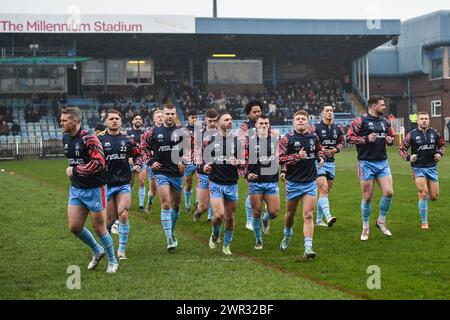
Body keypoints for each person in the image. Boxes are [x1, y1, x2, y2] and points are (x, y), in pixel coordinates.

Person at [60, 107, 118, 273]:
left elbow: (99, 162)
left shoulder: (89, 137)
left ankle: (113, 261)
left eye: (65, 120)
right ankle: (97, 250)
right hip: (77, 188)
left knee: (99, 228)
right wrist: (75, 172)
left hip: (94, 189)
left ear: (76, 121)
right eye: (61, 120)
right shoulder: (65, 138)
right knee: (74, 227)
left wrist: (75, 170)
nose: (61, 123)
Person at [140, 104, 190, 251]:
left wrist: (184, 161)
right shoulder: (153, 131)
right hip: (161, 172)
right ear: (162, 115)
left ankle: (172, 232)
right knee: (166, 203)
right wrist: (150, 161)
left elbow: (189, 149)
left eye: (172, 114)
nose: (169, 116)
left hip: (176, 173)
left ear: (175, 114)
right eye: (167, 113)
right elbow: (143, 147)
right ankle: (169, 238)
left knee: (176, 205)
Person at [347, 95, 395, 241]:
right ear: (373, 106)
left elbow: (391, 138)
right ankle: (365, 227)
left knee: (389, 193)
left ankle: (381, 221)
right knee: (367, 197)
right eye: (382, 105)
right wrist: (366, 139)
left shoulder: (385, 122)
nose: (384, 107)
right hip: (366, 163)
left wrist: (390, 140)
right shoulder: (360, 121)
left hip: (382, 162)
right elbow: (349, 138)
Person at [278, 110, 325, 260]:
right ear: (293, 122)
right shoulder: (287, 139)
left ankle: (308, 248)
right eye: (297, 119)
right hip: (293, 183)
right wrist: (297, 157)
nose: (300, 121)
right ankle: (287, 233)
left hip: (310, 182)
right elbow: (280, 158)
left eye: (303, 119)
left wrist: (321, 157)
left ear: (307, 121)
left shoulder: (313, 137)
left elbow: (319, 150)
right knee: (290, 214)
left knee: (308, 215)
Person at [98, 110, 141, 260]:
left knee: (123, 214)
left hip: (124, 183)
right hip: (107, 184)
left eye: (117, 118)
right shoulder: (99, 139)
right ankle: (107, 247)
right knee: (109, 220)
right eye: (111, 119)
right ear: (106, 121)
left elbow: (138, 154)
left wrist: (137, 164)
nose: (114, 121)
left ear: (121, 121)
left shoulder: (128, 139)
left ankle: (121, 250)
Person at [201, 112, 243, 255]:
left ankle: (226, 245)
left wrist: (238, 163)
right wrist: (203, 167)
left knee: (230, 217)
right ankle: (215, 233)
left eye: (231, 119)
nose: (230, 121)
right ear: (218, 123)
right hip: (216, 183)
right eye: (226, 119)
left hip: (231, 183)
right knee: (218, 215)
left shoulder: (237, 141)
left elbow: (245, 163)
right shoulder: (209, 140)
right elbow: (200, 160)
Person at [399, 111, 445, 229]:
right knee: (423, 192)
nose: (424, 120)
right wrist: (409, 157)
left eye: (426, 118)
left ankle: (422, 199)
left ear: (428, 120)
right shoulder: (411, 135)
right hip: (418, 168)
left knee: (434, 197)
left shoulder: (435, 133)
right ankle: (424, 222)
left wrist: (440, 153)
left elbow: (442, 146)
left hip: (432, 167)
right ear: (418, 121)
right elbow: (401, 149)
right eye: (422, 119)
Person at [242, 115, 280, 250]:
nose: (264, 125)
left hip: (271, 182)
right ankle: (258, 240)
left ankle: (266, 219)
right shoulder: (248, 141)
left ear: (269, 125)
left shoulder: (276, 139)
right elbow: (241, 159)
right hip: (256, 183)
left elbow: (283, 156)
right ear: (256, 126)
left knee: (274, 212)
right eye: (261, 123)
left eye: (266, 123)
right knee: (256, 212)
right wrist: (246, 174)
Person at [310, 104, 344, 227]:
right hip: (318, 162)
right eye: (327, 111)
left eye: (331, 111)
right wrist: (319, 149)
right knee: (323, 189)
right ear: (322, 113)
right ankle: (328, 217)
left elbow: (342, 142)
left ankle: (319, 220)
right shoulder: (315, 127)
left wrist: (335, 150)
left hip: (331, 163)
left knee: (324, 192)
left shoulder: (337, 128)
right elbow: (309, 141)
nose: (330, 112)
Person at [239, 100, 262, 231]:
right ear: (249, 113)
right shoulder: (244, 128)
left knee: (263, 191)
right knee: (252, 190)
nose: (258, 113)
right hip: (250, 163)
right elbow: (242, 145)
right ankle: (249, 221)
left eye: (259, 111)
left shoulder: (264, 124)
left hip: (265, 162)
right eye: (255, 112)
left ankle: (258, 217)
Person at [193, 108, 218, 222]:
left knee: (218, 205)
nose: (213, 123)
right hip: (204, 173)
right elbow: (196, 155)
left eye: (215, 121)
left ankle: (215, 228)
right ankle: (198, 212)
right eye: (210, 121)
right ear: (206, 120)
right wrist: (203, 166)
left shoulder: (224, 134)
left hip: (219, 174)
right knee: (203, 207)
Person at [127, 113, 147, 211]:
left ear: (142, 121)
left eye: (140, 119)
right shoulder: (127, 132)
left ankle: (141, 205)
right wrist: (129, 157)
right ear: (132, 121)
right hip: (130, 161)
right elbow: (125, 147)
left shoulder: (145, 133)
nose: (138, 120)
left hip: (142, 160)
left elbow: (147, 147)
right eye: (136, 119)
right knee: (129, 183)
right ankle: (127, 203)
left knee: (142, 182)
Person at [145, 109, 164, 213]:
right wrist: (149, 161)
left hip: (167, 165)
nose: (161, 118)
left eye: (162, 116)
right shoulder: (150, 132)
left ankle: (165, 212)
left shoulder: (170, 130)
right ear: (154, 119)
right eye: (158, 116)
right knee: (153, 191)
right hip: (154, 165)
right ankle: (149, 201)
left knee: (166, 191)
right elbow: (144, 148)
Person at [183, 109, 199, 213]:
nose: (194, 119)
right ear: (188, 118)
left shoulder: (201, 130)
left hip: (199, 160)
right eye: (192, 117)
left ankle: (197, 201)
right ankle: (187, 202)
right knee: (188, 183)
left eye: (196, 117)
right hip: (188, 160)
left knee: (201, 181)